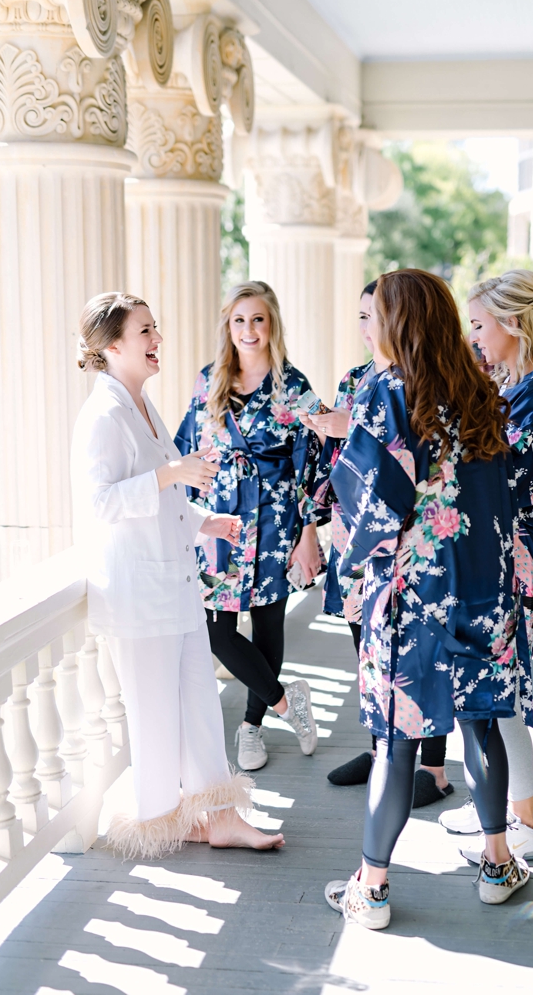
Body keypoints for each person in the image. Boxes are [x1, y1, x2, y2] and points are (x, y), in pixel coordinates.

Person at [324, 269, 530, 930]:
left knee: (396, 741)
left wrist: (349, 564)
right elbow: (509, 496)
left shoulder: (388, 392)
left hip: (413, 596)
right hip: (481, 591)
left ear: (398, 322)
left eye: (376, 315)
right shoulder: (483, 393)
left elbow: (373, 505)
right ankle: (498, 864)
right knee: (481, 724)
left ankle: (372, 888)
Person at [71, 291, 284, 858]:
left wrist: (205, 522)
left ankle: (219, 814)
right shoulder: (104, 415)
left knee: (198, 701)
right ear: (113, 346)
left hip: (175, 584)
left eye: (155, 329)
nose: (157, 340)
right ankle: (163, 818)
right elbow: (101, 504)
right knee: (156, 713)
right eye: (145, 332)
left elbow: (162, 500)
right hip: (139, 595)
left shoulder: (142, 405)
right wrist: (171, 473)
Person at [302, 283, 455, 808]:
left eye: (375, 316)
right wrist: (311, 523)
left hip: (406, 534)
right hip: (354, 531)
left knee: (420, 650)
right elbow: (337, 464)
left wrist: (355, 429)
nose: (367, 327)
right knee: (366, 645)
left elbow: (412, 458)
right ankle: (381, 746)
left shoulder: (421, 383)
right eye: (362, 315)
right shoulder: (355, 379)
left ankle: (431, 767)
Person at [439, 270, 533, 864]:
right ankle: (512, 809)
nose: (472, 339)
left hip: (513, 558)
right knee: (504, 689)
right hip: (515, 553)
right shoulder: (529, 384)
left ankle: (525, 821)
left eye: (478, 325)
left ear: (512, 323)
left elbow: (502, 478)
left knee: (503, 691)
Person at [175, 281, 320, 773]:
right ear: (228, 325)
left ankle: (252, 727)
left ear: (272, 323)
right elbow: (186, 453)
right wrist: (186, 521)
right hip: (222, 521)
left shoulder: (292, 386)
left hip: (276, 519)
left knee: (266, 624)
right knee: (217, 630)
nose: (248, 330)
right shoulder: (208, 380)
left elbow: (314, 461)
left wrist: (309, 532)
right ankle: (286, 701)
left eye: (257, 319)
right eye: (239, 320)